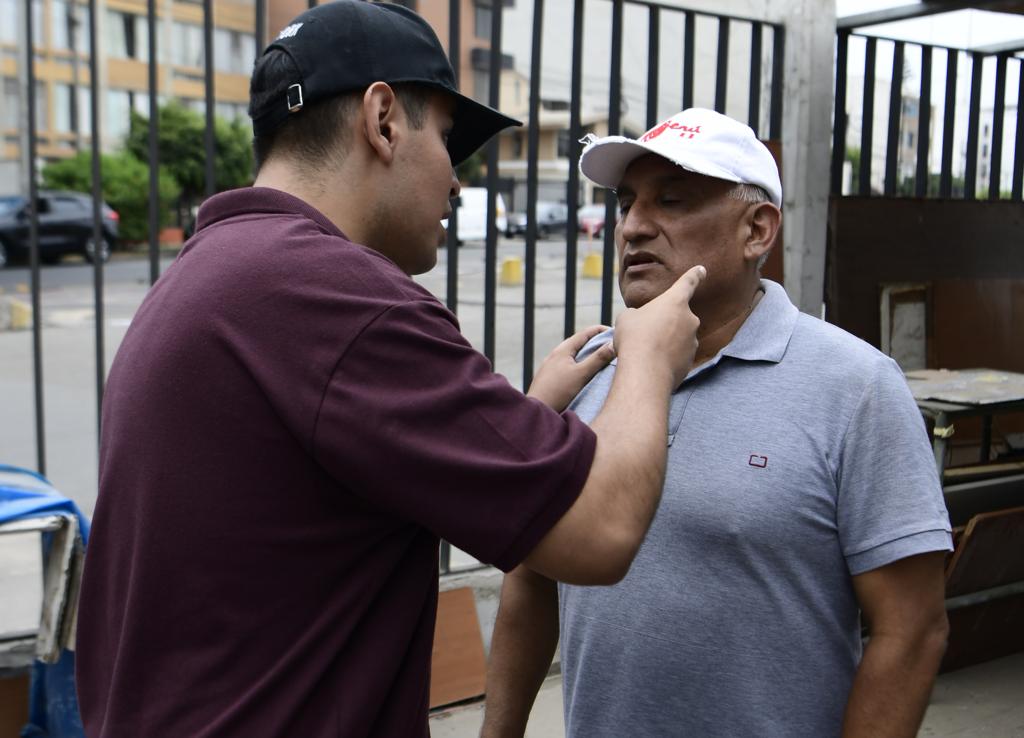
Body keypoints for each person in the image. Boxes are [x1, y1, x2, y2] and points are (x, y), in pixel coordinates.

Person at [73, 3, 706, 737]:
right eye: (446, 140)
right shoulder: (338, 296)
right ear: (382, 120)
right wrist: (650, 355)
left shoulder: (209, 276)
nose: (459, 186)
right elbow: (599, 532)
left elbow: (327, 515)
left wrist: (520, 422)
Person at [482, 108, 953, 738]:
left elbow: (913, 629)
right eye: (627, 202)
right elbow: (531, 586)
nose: (632, 227)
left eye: (672, 200)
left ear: (757, 230)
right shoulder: (588, 377)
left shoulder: (856, 385)